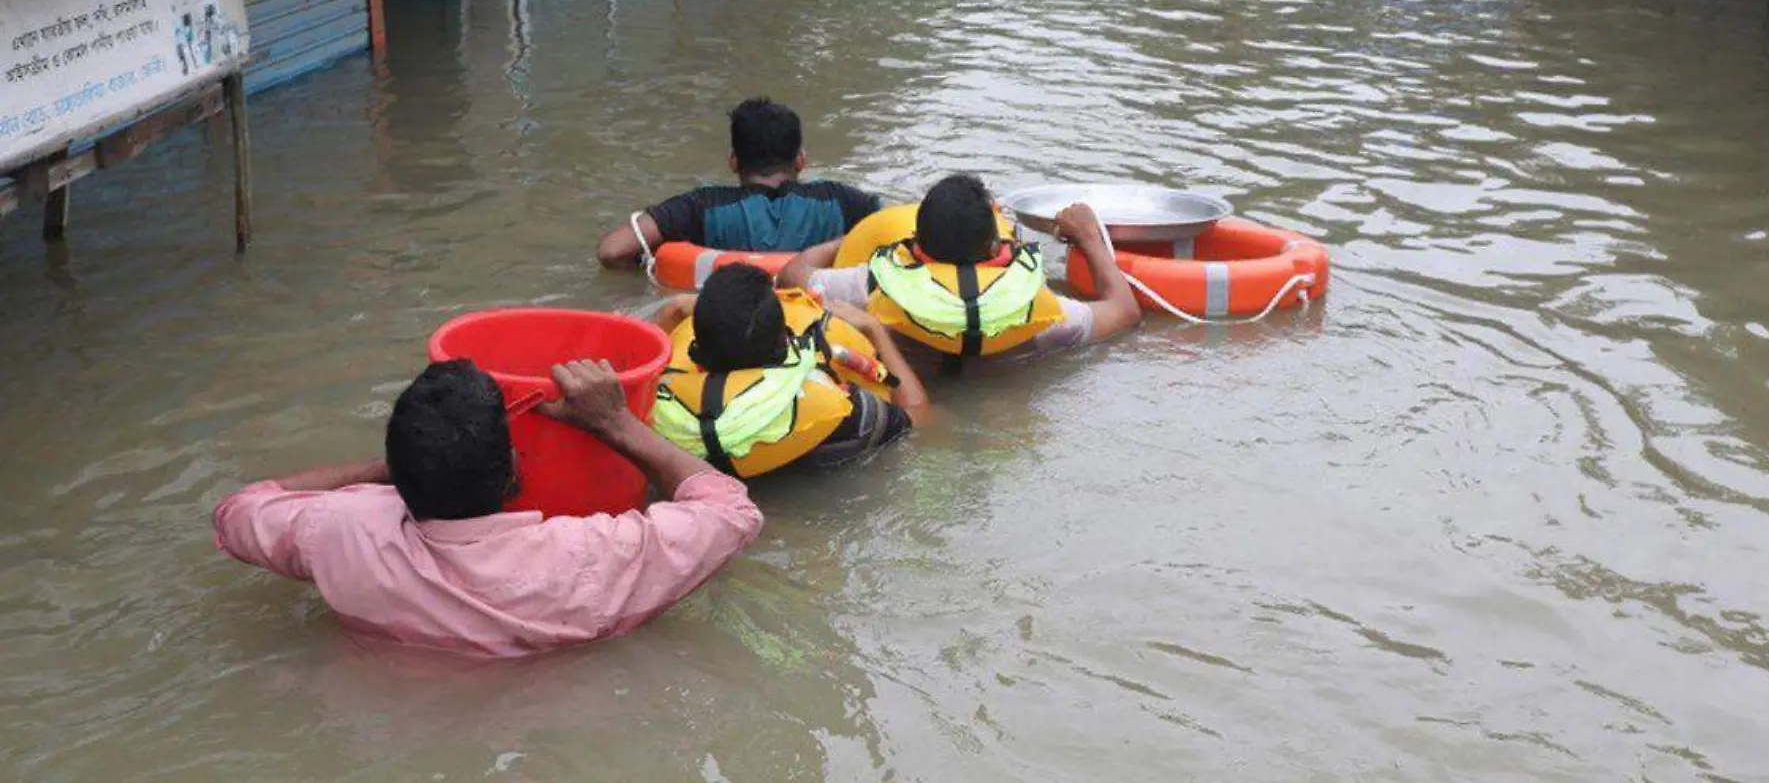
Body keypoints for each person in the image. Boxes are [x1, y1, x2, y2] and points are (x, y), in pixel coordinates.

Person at [211, 359, 762, 657]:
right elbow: (732, 512)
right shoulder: (586, 557)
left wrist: (391, 469)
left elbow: (240, 509)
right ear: (514, 473)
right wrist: (616, 423)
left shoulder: (337, 531)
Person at [776, 174, 1142, 371]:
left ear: (915, 243)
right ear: (996, 249)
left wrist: (851, 239)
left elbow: (792, 274)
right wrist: (1090, 237)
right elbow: (1125, 312)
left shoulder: (870, 286)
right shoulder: (1042, 311)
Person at [646, 263, 930, 473]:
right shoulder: (845, 411)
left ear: (696, 355)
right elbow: (921, 418)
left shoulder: (654, 411)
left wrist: (672, 310)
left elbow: (631, 361)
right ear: (786, 341)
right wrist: (875, 331)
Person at [597, 97, 882, 267]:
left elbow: (613, 250)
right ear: (801, 160)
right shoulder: (841, 200)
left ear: (733, 160)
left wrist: (664, 266)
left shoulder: (701, 207)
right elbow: (903, 230)